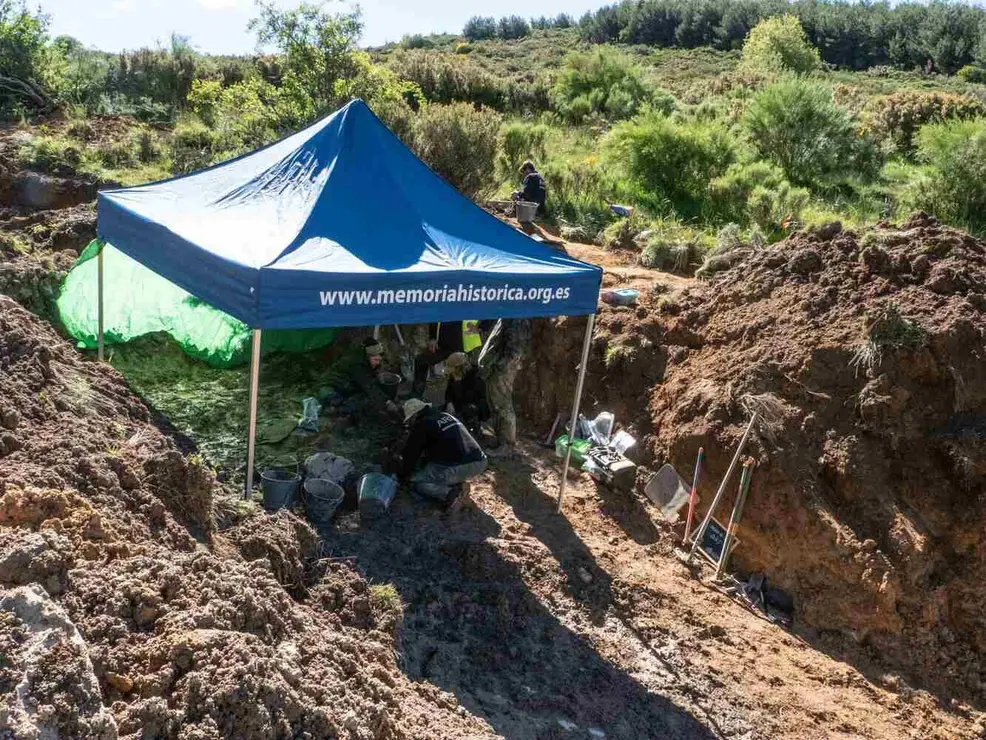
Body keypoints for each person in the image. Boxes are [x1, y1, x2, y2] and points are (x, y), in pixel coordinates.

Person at [399, 398, 487, 509]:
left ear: (415, 415)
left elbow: (411, 455)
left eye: (410, 420)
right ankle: (458, 484)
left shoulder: (422, 424)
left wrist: (403, 475)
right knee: (434, 467)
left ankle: (450, 495)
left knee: (416, 482)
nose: (410, 423)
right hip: (480, 462)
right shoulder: (446, 416)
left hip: (460, 466)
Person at [482, 318, 531, 458]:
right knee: (495, 404)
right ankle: (501, 441)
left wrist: (500, 366)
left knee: (503, 405)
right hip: (496, 369)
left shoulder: (517, 319)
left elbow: (515, 351)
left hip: (502, 370)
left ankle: (507, 445)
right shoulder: (508, 316)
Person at [325, 337, 399, 414]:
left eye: (379, 360)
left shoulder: (363, 358)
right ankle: (337, 411)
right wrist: (387, 402)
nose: (378, 363)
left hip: (344, 385)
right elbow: (369, 386)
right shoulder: (357, 365)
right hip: (330, 389)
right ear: (368, 356)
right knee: (365, 402)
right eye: (376, 360)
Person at [413, 320, 482, 394]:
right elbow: (435, 315)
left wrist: (480, 327)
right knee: (421, 361)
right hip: (444, 345)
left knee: (465, 379)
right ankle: (417, 392)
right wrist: (432, 337)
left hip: (463, 348)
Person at [443, 352, 490, 437]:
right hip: (460, 405)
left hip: (475, 408)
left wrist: (458, 384)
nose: (452, 374)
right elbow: (448, 393)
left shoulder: (476, 378)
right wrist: (449, 402)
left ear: (460, 368)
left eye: (454, 370)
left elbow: (467, 399)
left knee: (467, 412)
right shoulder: (455, 376)